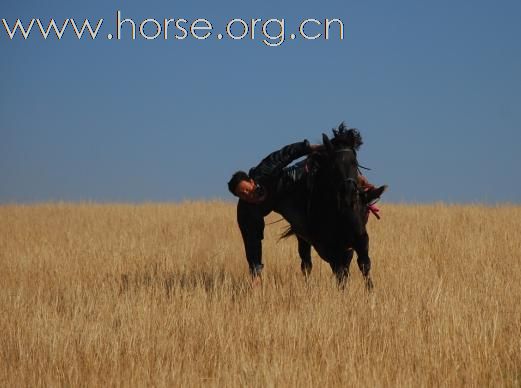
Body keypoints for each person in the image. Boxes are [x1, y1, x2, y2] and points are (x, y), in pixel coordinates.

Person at [227, 139, 385, 281]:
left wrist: (309, 147)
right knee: (303, 225)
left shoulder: (264, 171)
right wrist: (256, 273)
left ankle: (360, 186)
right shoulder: (246, 210)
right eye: (242, 194)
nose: (247, 195)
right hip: (284, 203)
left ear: (252, 181)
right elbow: (251, 241)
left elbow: (284, 154)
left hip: (291, 181)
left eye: (246, 189)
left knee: (320, 164)